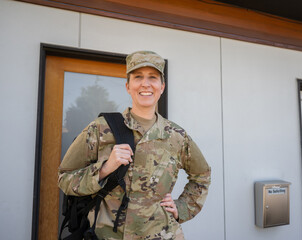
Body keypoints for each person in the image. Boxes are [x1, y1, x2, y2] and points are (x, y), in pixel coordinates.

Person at [58, 51, 211, 240]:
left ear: (162, 87)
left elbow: (202, 175)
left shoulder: (177, 136)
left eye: (153, 78)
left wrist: (182, 208)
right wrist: (105, 169)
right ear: (128, 86)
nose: (145, 84)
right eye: (138, 77)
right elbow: (65, 178)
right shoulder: (100, 129)